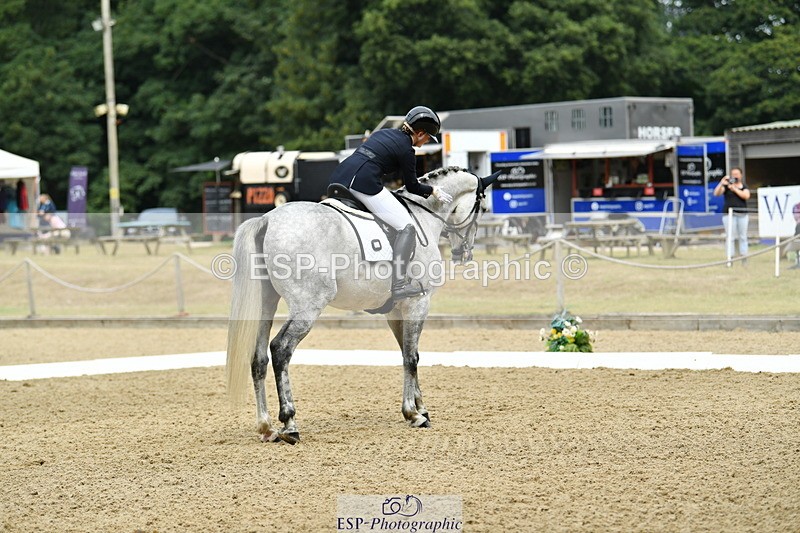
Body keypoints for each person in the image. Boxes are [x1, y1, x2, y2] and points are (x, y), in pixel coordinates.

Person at [329, 105, 453, 299]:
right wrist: (433, 190)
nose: (428, 140)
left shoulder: (384, 133)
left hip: (339, 176)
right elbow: (412, 187)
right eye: (428, 136)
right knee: (407, 227)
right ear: (419, 133)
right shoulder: (407, 151)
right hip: (363, 182)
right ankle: (399, 285)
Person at [713, 167, 751, 264]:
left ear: (741, 175)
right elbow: (716, 193)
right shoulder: (726, 187)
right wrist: (722, 183)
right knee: (730, 237)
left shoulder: (744, 186)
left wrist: (734, 189)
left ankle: (744, 256)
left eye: (737, 174)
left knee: (743, 236)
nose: (735, 176)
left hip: (742, 215)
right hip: (728, 215)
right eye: (733, 174)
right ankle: (730, 258)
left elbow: (746, 196)